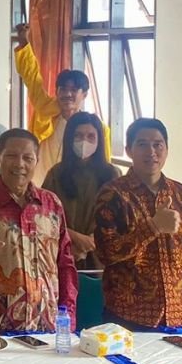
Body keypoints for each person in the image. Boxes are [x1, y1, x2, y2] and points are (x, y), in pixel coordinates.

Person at [0, 129, 78, 333]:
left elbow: (65, 263)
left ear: (36, 161)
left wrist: (68, 314)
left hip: (48, 322)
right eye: (11, 156)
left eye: (28, 158)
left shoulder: (51, 204)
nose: (19, 164)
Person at [93, 119, 182, 330]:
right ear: (129, 150)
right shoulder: (112, 195)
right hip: (128, 316)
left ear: (167, 149)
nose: (151, 152)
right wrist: (153, 227)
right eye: (142, 144)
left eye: (158, 144)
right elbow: (105, 253)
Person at [13, 23, 112, 182]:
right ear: (57, 91)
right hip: (39, 184)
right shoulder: (45, 110)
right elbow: (32, 78)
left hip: (74, 189)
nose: (67, 94)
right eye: (63, 89)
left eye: (74, 90)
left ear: (84, 94)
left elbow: (104, 164)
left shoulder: (95, 128)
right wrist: (24, 43)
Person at [42, 112, 119, 271]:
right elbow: (43, 216)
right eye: (78, 136)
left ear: (99, 140)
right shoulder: (56, 174)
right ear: (69, 138)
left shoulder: (112, 174)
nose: (84, 141)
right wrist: (73, 238)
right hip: (62, 254)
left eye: (91, 136)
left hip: (101, 258)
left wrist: (92, 241)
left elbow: (120, 217)